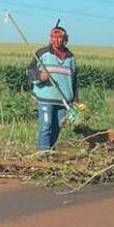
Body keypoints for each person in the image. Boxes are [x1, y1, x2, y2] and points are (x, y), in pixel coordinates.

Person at [26, 22, 78, 152]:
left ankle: (50, 150)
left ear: (65, 39)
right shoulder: (42, 53)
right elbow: (29, 70)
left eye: (59, 37)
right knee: (46, 126)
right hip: (45, 97)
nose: (56, 40)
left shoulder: (71, 57)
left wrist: (75, 100)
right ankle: (42, 153)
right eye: (53, 37)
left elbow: (74, 79)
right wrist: (39, 76)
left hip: (64, 98)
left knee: (57, 127)